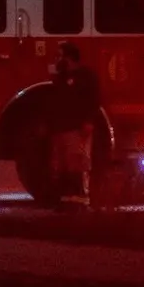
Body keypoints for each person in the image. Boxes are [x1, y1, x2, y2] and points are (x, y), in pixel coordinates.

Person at [48, 42, 101, 210]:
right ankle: (65, 200)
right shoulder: (61, 78)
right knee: (61, 166)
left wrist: (88, 122)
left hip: (77, 129)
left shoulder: (86, 77)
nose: (57, 60)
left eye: (60, 56)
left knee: (77, 163)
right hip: (60, 129)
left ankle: (80, 200)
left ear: (70, 58)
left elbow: (93, 101)